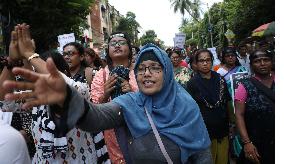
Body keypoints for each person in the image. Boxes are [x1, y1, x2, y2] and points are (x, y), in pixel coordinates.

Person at [3, 43, 213, 164]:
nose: (146, 73)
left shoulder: (187, 106)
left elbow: (202, 156)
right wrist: (68, 99)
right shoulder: (130, 102)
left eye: (155, 67)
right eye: (141, 69)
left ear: (167, 73)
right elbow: (96, 118)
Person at [0, 24, 110, 163]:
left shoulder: (80, 89)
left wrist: (29, 54)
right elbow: (5, 102)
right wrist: (11, 61)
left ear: (63, 73)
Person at [91, 31, 138, 163]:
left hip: (139, 126)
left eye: (122, 43)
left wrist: (132, 92)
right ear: (108, 50)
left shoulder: (141, 70)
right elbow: (95, 107)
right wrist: (105, 94)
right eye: (113, 44)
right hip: (113, 131)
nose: (117, 46)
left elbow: (151, 99)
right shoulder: (102, 74)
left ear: (129, 48)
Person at [186, 49, 230, 164]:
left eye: (207, 60)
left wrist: (232, 123)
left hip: (222, 131)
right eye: (201, 61)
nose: (205, 63)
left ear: (212, 61)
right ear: (196, 63)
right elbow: (189, 110)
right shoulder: (192, 83)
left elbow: (227, 103)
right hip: (203, 134)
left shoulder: (220, 79)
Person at [235, 50, 274, 164]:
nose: (262, 63)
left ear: (272, 62)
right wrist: (247, 143)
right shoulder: (244, 86)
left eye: (266, 60)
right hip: (257, 142)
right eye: (257, 61)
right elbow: (239, 115)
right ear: (251, 65)